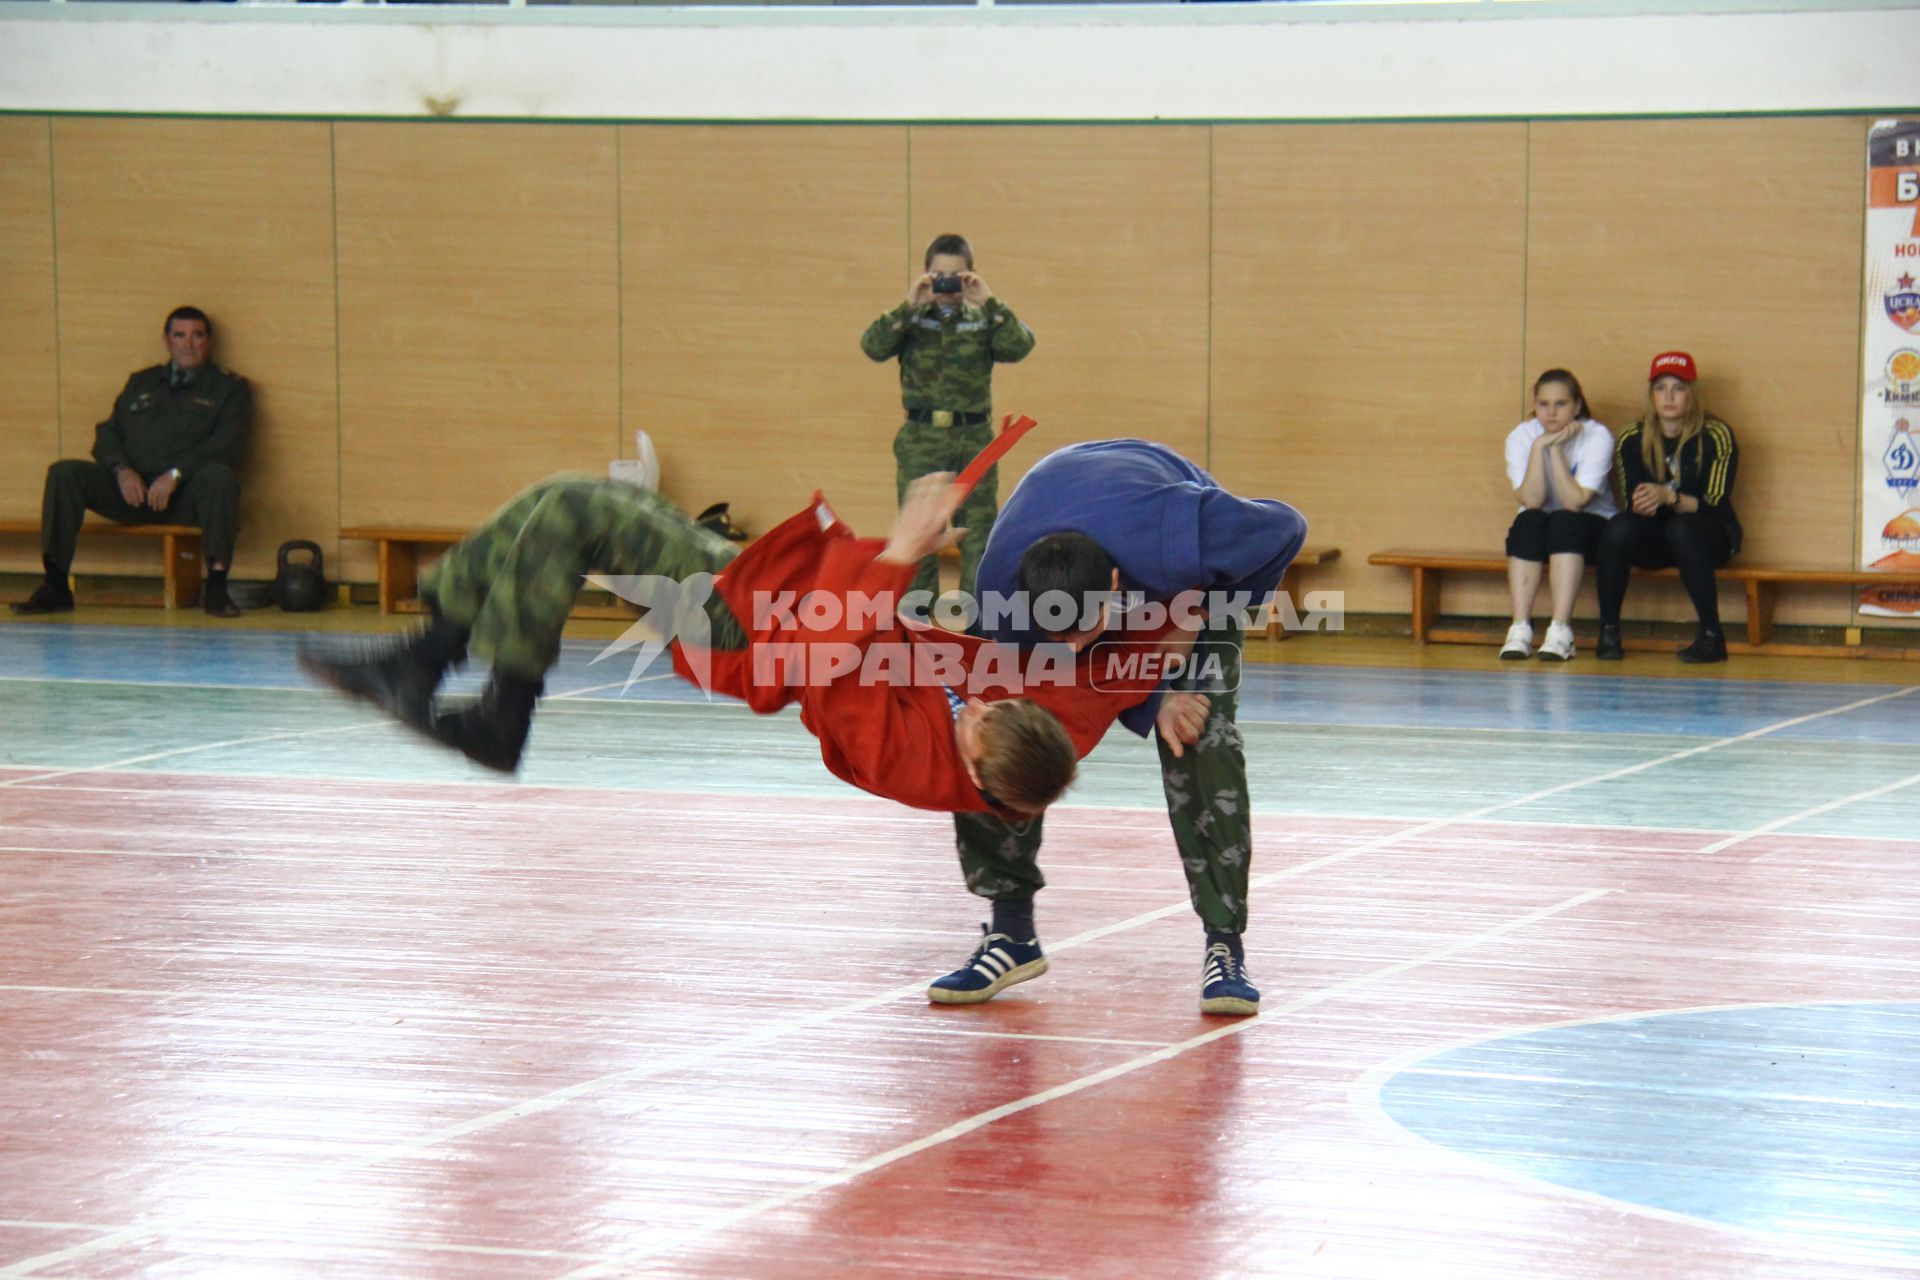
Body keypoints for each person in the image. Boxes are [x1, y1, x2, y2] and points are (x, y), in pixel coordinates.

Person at [298, 471, 1200, 819]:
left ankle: (495, 704)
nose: (988, 701)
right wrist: (1170, 665)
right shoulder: (1040, 727)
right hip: (778, 590)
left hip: (750, 634)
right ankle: (437, 664)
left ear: (975, 769)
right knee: (555, 509)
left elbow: (821, 663)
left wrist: (897, 554)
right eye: (1001, 704)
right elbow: (1105, 675)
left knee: (572, 514)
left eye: (980, 721)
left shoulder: (908, 764)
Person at [928, 439, 1308, 1017]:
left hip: (1187, 584)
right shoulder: (1001, 593)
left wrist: (1198, 612)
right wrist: (1145, 698)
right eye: (1061, 637)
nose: (1077, 648)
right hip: (1082, 544)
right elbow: (1070, 675)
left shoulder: (1187, 535)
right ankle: (1011, 932)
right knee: (993, 744)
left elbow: (1287, 527)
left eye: (1087, 629)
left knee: (1200, 738)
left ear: (1112, 582)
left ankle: (1225, 945)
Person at [10, 306, 251, 619]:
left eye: (197, 335)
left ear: (209, 340)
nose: (188, 344)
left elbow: (226, 444)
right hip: (132, 494)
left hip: (187, 498)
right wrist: (122, 471)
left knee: (220, 476)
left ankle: (217, 589)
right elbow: (107, 433)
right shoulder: (142, 383)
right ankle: (55, 585)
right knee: (64, 473)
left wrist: (177, 475)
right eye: (180, 335)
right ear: (167, 340)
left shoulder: (230, 389)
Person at [861, 233, 1035, 606]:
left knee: (979, 535)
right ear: (926, 275)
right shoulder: (910, 320)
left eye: (956, 275)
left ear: (970, 275)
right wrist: (908, 305)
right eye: (938, 274)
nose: (946, 283)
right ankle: (916, 626)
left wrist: (990, 303)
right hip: (922, 438)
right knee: (921, 535)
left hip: (973, 437)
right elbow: (873, 347)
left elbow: (1019, 346)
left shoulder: (985, 318)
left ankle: (976, 632)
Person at [1596, 351, 1742, 664]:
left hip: (1710, 535)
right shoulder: (1632, 437)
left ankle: (1712, 635)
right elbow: (1631, 497)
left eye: (1679, 388)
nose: (1670, 397)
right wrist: (1645, 501)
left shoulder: (1717, 435)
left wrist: (1669, 497)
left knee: (1682, 527)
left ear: (1692, 394)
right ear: (1652, 396)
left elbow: (1714, 504)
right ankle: (1608, 630)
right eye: (1661, 388)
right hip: (1658, 534)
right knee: (1618, 526)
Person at [1499, 369, 1617, 661]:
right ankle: (1520, 628)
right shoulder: (1522, 436)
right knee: (1528, 520)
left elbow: (1574, 501)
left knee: (1565, 521)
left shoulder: (1596, 435)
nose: (1551, 413)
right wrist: (1541, 445)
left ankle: (1561, 630)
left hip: (1592, 528)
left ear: (1577, 406)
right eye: (1543, 404)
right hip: (1542, 527)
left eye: (1561, 404)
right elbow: (1531, 499)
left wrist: (1557, 450)